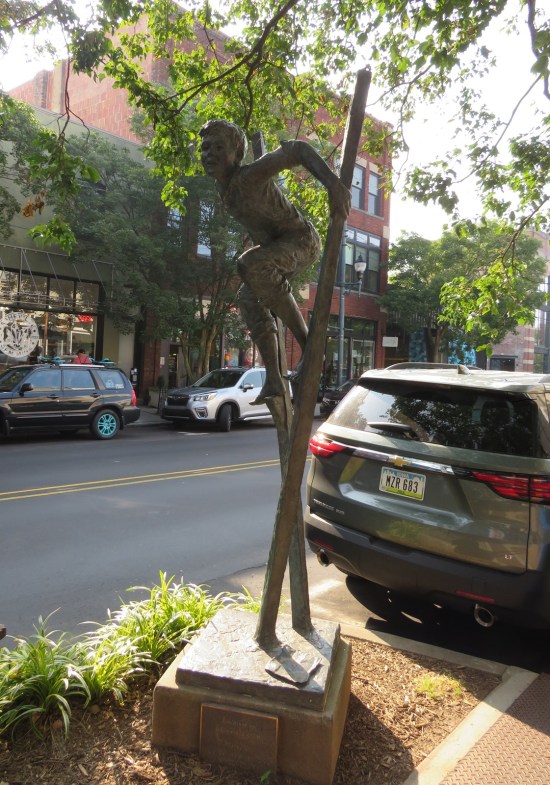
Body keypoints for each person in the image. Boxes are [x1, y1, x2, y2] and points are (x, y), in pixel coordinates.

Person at [199, 119, 350, 404]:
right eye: (206, 148)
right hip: (277, 246)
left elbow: (297, 150)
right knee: (248, 297)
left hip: (302, 240)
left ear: (237, 154)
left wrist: (333, 185)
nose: (210, 154)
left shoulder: (250, 176)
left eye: (219, 147)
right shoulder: (225, 190)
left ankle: (308, 345)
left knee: (249, 265)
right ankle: (274, 378)